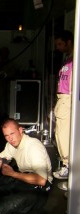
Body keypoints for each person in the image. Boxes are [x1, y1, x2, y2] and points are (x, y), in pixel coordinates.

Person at [52, 30, 73, 180]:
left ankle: (67, 165)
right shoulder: (67, 59)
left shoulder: (75, 60)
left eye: (60, 44)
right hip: (62, 99)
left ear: (69, 42)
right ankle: (67, 164)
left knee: (63, 134)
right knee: (60, 134)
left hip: (68, 99)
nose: (58, 47)